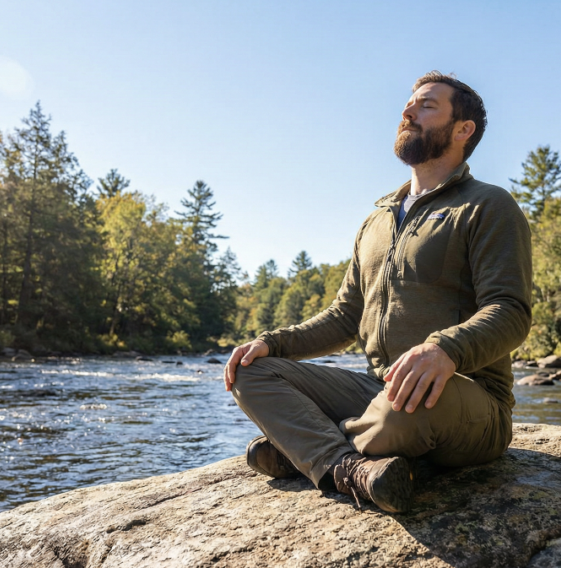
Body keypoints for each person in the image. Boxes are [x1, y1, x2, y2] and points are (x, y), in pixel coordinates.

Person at [223, 71, 532, 513]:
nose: (407, 111)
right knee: (250, 370)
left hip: (466, 398)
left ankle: (306, 450)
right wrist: (273, 342)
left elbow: (510, 310)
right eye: (409, 104)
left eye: (426, 105)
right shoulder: (377, 221)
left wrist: (444, 349)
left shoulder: (487, 205)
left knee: (396, 413)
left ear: (463, 130)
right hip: (379, 389)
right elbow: (346, 317)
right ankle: (346, 467)